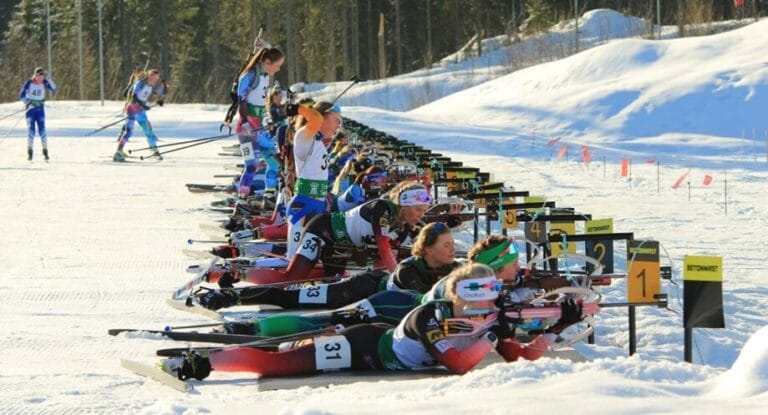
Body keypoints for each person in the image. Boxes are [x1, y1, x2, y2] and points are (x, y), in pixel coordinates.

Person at [164, 263, 585, 380]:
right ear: (458, 297)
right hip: (365, 348)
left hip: (382, 348)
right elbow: (458, 364)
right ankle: (201, 362)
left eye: (491, 298)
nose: (487, 306)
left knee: (287, 356)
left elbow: (522, 356)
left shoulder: (489, 320)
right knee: (280, 364)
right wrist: (491, 334)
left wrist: (555, 329)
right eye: (480, 298)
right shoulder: (430, 316)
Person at [193, 222, 460, 312]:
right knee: (289, 298)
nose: (452, 249)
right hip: (357, 291)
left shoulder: (453, 267)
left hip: (377, 306)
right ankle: (230, 296)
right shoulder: (409, 269)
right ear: (428, 250)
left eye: (452, 244)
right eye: (446, 245)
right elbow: (425, 301)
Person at [281, 181, 431, 281]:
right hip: (322, 231)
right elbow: (385, 250)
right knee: (292, 279)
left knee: (331, 281)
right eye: (418, 209)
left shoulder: (403, 227)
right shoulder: (382, 208)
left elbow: (384, 260)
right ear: (404, 204)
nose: (421, 215)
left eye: (424, 211)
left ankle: (311, 272)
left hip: (339, 250)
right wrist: (399, 280)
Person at [285, 101, 342, 258]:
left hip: (317, 206)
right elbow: (315, 119)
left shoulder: (317, 142)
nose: (338, 126)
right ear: (322, 118)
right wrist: (298, 109)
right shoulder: (303, 137)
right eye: (336, 120)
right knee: (294, 259)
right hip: (304, 208)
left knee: (311, 259)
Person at [234, 48, 284, 198]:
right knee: (251, 165)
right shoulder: (250, 75)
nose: (278, 69)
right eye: (277, 65)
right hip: (246, 129)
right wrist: (245, 123)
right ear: (267, 62)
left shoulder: (265, 75)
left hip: (259, 128)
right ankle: (242, 199)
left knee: (274, 161)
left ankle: (269, 195)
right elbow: (241, 101)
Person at [113, 69, 167, 162]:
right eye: (153, 77)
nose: (155, 80)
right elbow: (133, 96)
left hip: (140, 111)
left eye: (157, 78)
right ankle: (118, 151)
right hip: (132, 109)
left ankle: (154, 150)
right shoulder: (141, 83)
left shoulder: (152, 85)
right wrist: (143, 105)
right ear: (149, 76)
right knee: (129, 132)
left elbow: (162, 92)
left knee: (148, 131)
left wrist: (164, 85)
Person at [19, 67, 57, 161]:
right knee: (31, 131)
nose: (41, 78)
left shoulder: (44, 82)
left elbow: (54, 89)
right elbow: (21, 95)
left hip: (40, 110)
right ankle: (30, 152)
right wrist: (28, 103)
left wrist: (49, 79)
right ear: (35, 75)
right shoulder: (29, 83)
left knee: (42, 131)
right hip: (31, 111)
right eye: (40, 75)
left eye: (43, 76)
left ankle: (45, 152)